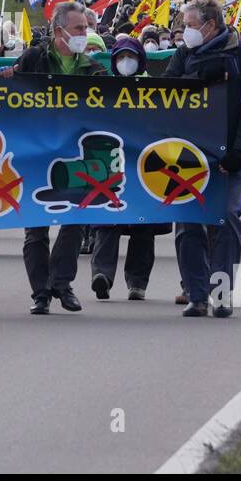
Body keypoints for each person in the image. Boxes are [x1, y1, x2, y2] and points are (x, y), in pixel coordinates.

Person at [4, 0, 108, 315]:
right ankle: (41, 293)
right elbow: (10, 98)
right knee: (35, 226)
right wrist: (8, 79)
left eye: (86, 28)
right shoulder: (33, 59)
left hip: (76, 154)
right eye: (79, 28)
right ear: (59, 30)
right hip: (34, 154)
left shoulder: (93, 68)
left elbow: (112, 108)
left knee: (75, 221)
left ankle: (61, 284)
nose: (85, 33)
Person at [164, 0, 241, 318]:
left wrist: (238, 152)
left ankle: (221, 292)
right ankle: (197, 294)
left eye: (191, 26)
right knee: (188, 223)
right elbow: (164, 94)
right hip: (188, 156)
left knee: (228, 216)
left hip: (230, 156)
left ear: (211, 25)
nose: (185, 32)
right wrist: (200, 78)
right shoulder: (183, 55)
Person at [89, 37, 166, 299]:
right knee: (107, 219)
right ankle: (102, 274)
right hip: (109, 163)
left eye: (130, 57)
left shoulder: (156, 90)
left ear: (141, 60)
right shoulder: (102, 91)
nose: (125, 62)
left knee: (142, 224)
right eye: (120, 57)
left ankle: (137, 282)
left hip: (145, 166)